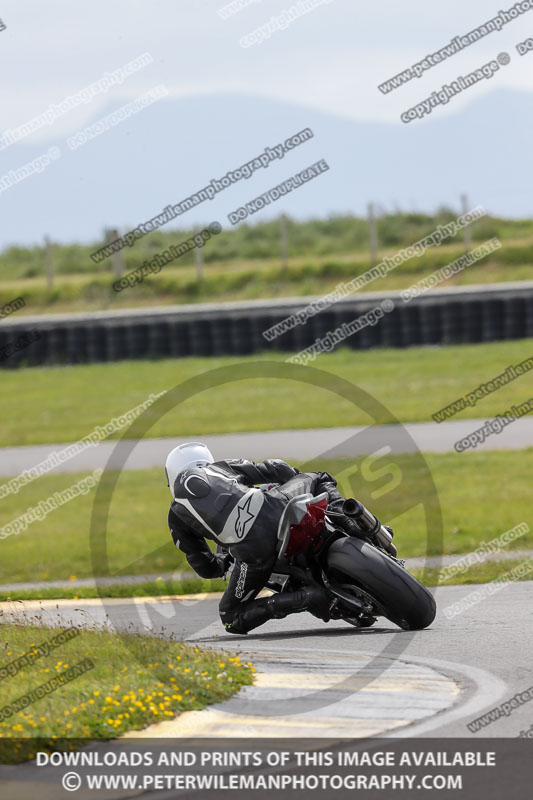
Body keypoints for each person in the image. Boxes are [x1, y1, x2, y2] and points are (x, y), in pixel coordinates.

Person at [166, 442, 383, 635]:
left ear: (172, 476)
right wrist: (292, 478)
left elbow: (206, 568)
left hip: (253, 555)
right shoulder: (220, 467)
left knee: (231, 618)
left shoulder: (176, 514)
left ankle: (307, 597)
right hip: (277, 508)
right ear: (206, 461)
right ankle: (357, 526)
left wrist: (223, 564)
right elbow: (276, 467)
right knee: (320, 478)